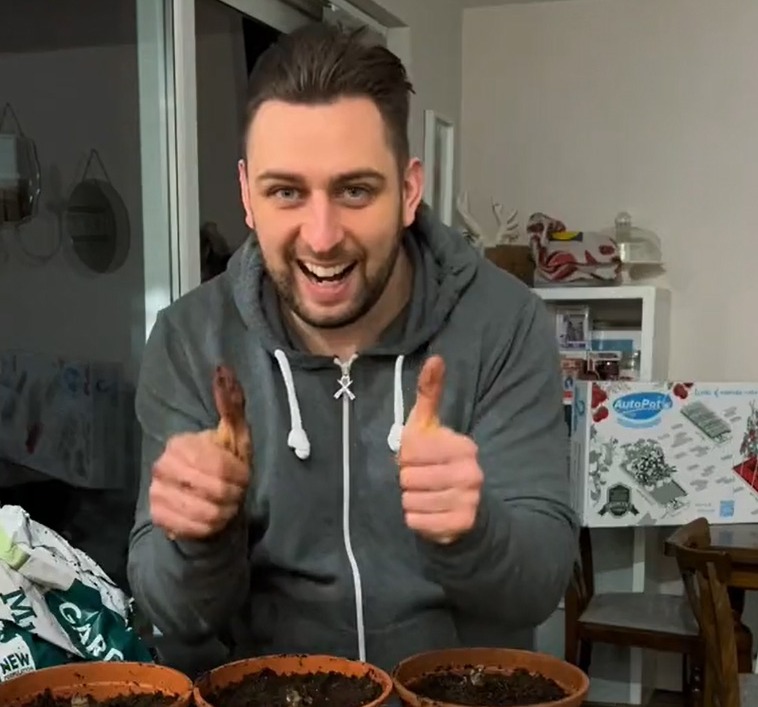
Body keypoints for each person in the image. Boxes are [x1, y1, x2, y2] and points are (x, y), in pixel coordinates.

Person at [128, 22, 578, 673]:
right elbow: (175, 611)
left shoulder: (505, 322)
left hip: (461, 688)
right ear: (248, 197)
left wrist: (472, 530)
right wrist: (197, 536)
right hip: (272, 687)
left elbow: (539, 584)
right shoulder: (189, 340)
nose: (322, 235)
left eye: (355, 190)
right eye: (287, 191)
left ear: (409, 191)